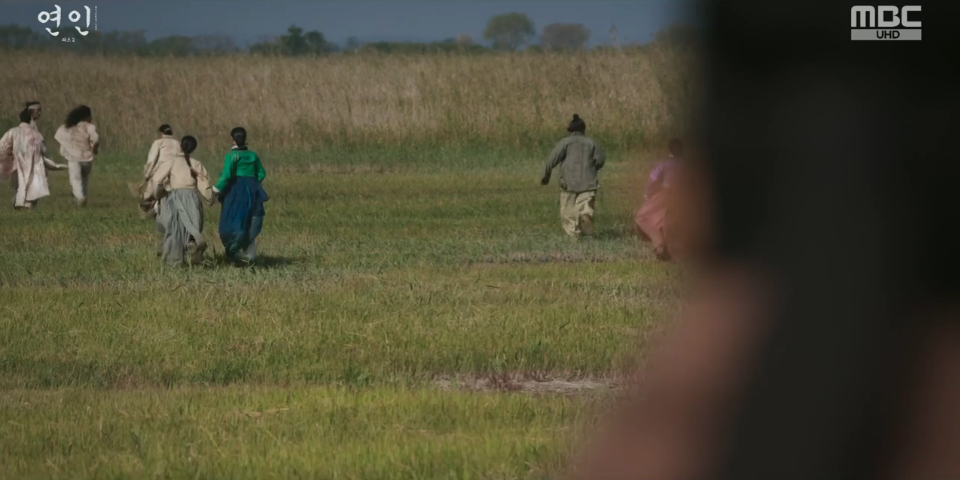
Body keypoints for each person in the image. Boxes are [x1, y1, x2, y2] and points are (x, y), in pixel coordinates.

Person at [541, 114, 606, 240]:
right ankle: (585, 214)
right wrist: (592, 169)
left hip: (568, 184)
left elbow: (551, 160)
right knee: (586, 205)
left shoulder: (565, 143)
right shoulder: (591, 142)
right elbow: (600, 160)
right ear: (583, 129)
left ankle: (574, 236)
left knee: (568, 212)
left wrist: (546, 176)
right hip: (588, 183)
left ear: (570, 130)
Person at [153, 135, 214, 265]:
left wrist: (157, 195)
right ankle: (193, 245)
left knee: (175, 229)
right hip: (193, 199)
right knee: (193, 227)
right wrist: (210, 198)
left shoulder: (170, 163)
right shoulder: (196, 164)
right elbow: (204, 184)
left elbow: (157, 181)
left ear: (180, 145)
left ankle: (174, 260)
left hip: (175, 200)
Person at [215, 127, 268, 264]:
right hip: (252, 189)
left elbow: (226, 176)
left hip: (236, 191)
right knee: (252, 218)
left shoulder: (231, 156)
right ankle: (249, 256)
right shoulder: (253, 155)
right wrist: (253, 183)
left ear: (233, 139)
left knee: (234, 219)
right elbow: (261, 173)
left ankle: (233, 251)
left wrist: (216, 189)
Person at [0, 108, 65, 209]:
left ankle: (20, 203)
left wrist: (8, 156)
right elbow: (43, 150)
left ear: (20, 119)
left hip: (19, 164)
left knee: (21, 186)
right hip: (35, 165)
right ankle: (26, 204)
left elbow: (2, 147)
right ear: (30, 120)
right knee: (32, 188)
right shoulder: (37, 135)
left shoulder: (13, 132)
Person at [634, 138, 684, 260]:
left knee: (643, 217)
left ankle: (659, 243)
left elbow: (653, 179)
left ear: (669, 150)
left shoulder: (664, 164)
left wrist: (648, 193)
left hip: (667, 193)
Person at [132, 124, 182, 218]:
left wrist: (147, 174)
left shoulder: (158, 143)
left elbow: (152, 160)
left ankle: (153, 212)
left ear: (161, 133)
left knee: (150, 195)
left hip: (160, 172)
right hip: (175, 172)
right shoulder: (177, 143)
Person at [54, 105, 99, 207]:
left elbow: (62, 141)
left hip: (73, 158)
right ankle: (84, 196)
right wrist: (94, 150)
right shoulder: (89, 127)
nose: (91, 118)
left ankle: (80, 198)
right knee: (85, 178)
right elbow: (96, 140)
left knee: (75, 179)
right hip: (87, 158)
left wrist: (64, 152)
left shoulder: (67, 128)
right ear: (86, 117)